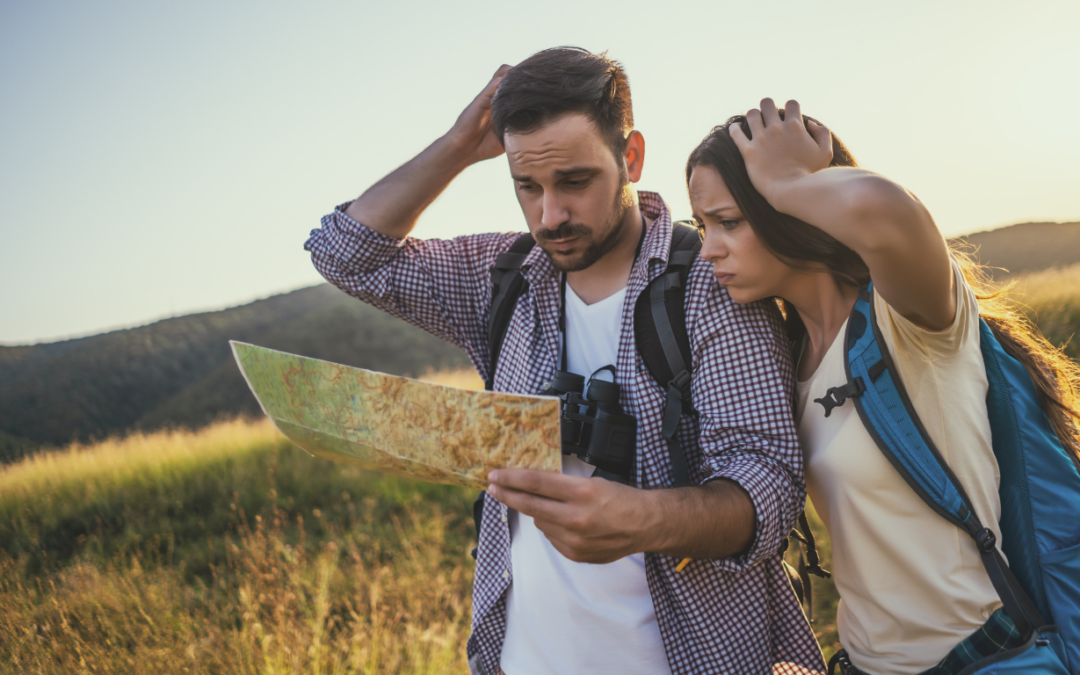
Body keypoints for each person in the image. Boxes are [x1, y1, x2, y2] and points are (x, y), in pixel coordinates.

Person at [305, 49, 824, 674]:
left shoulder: (713, 283)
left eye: (575, 181)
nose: (550, 215)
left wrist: (643, 520)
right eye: (528, 186)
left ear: (630, 157)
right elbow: (345, 254)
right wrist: (456, 146)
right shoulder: (500, 279)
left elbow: (768, 488)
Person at [686, 98, 1080, 674]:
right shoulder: (785, 363)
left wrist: (785, 180)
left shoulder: (909, 324)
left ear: (790, 209)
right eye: (702, 226)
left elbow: (891, 213)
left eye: (729, 222)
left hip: (985, 659)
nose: (709, 249)